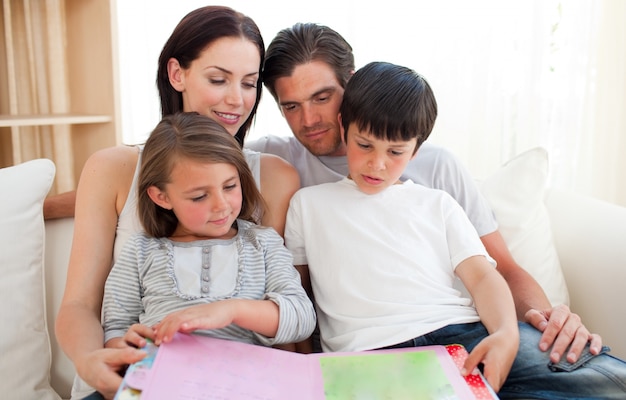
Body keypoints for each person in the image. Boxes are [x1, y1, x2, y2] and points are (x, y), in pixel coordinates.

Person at [247, 22, 602, 364]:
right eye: (290, 106)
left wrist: (548, 322)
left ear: (352, 86)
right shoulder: (276, 164)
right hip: (371, 347)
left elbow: (501, 270)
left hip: (458, 330)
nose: (308, 120)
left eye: (321, 97)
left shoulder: (436, 168)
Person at [285, 60, 626, 398]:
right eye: (364, 145)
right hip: (370, 356)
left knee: (610, 381)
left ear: (417, 149)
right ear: (344, 126)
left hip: (465, 335)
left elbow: (482, 277)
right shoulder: (307, 204)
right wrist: (300, 372)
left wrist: (506, 333)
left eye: (395, 151)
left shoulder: (439, 203)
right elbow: (296, 297)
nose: (378, 163)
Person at [54, 6, 300, 400]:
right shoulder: (112, 168)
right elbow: (80, 304)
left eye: (250, 83)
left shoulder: (273, 176)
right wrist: (90, 358)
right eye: (219, 79)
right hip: (135, 378)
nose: (236, 100)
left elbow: (286, 310)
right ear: (177, 74)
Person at [103, 112, 315, 354]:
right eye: (199, 196)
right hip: (165, 378)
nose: (221, 205)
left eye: (230, 186)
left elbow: (301, 317)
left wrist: (231, 311)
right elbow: (115, 326)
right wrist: (125, 344)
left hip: (243, 381)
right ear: (161, 197)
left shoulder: (263, 243)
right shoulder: (140, 250)